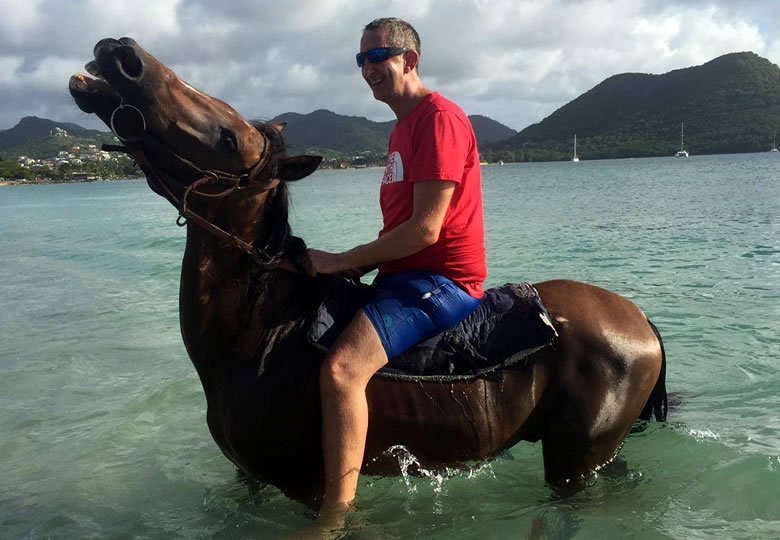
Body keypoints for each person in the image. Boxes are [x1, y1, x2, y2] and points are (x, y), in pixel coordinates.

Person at [305, 17, 486, 513]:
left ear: (410, 60)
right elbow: (399, 230)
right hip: (402, 275)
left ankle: (336, 518)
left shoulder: (440, 119)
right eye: (360, 59)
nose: (367, 68)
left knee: (341, 371)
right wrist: (348, 268)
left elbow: (427, 230)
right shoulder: (401, 128)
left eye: (377, 55)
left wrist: (343, 259)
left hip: (442, 280)